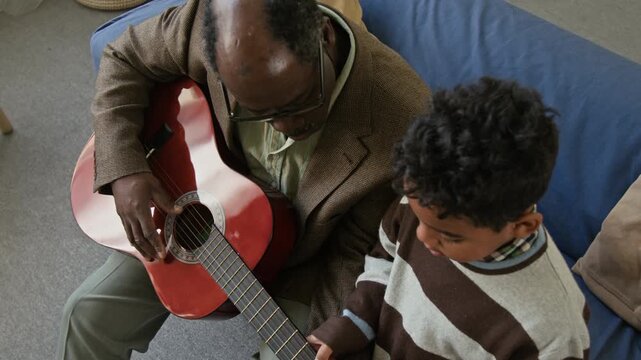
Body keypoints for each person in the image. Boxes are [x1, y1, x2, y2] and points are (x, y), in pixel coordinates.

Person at [57, 0, 431, 359]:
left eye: (298, 102)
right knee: (87, 315)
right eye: (257, 111)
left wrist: (328, 333)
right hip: (189, 205)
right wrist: (125, 169)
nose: (284, 128)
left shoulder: (403, 124)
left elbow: (357, 252)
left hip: (307, 259)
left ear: (325, 35)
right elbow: (125, 57)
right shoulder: (210, 21)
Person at [308, 77, 591, 359]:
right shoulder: (428, 192)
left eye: (449, 237)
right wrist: (355, 322)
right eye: (418, 219)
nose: (422, 237)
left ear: (521, 226)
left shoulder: (550, 338)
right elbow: (386, 257)